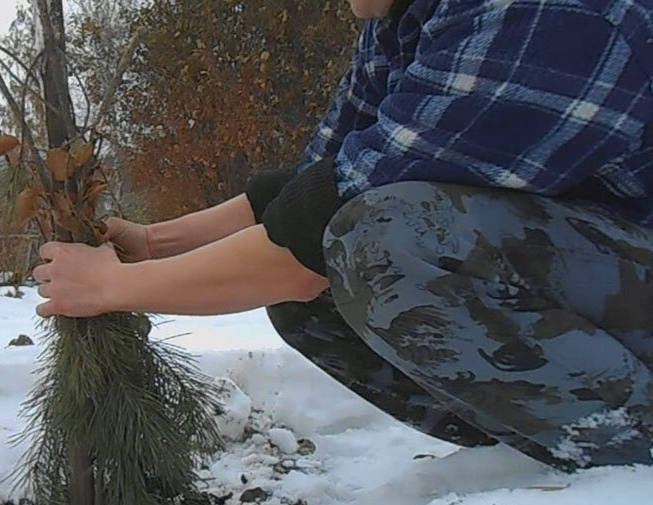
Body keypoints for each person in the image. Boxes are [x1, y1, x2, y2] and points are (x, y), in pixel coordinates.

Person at [32, 0, 653, 471]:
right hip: (603, 280)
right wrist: (155, 243)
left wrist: (114, 287)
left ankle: (622, 458)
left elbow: (315, 237)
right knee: (313, 293)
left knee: (381, 242)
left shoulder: (546, 15)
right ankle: (521, 456)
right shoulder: (406, 21)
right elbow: (317, 184)